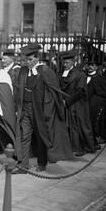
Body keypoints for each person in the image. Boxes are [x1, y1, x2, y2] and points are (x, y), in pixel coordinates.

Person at [13, 44, 73, 174]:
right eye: (26, 60)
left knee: (41, 136)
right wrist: (18, 107)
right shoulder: (22, 71)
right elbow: (18, 91)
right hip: (25, 109)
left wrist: (49, 109)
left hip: (39, 110)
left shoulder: (45, 70)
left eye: (30, 60)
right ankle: (23, 165)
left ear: (37, 58)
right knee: (25, 136)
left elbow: (54, 92)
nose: (27, 62)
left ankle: (42, 162)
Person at [59, 50, 95, 156]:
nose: (65, 65)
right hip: (64, 102)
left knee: (78, 126)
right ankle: (68, 146)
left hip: (77, 104)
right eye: (64, 62)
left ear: (73, 62)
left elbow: (81, 91)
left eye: (67, 63)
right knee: (66, 125)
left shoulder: (80, 75)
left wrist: (68, 101)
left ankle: (80, 148)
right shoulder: (61, 73)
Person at [85, 54, 106, 149]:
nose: (89, 67)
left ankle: (93, 143)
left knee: (92, 124)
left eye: (92, 65)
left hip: (93, 107)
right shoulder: (82, 77)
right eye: (88, 65)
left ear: (96, 67)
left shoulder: (99, 79)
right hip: (83, 104)